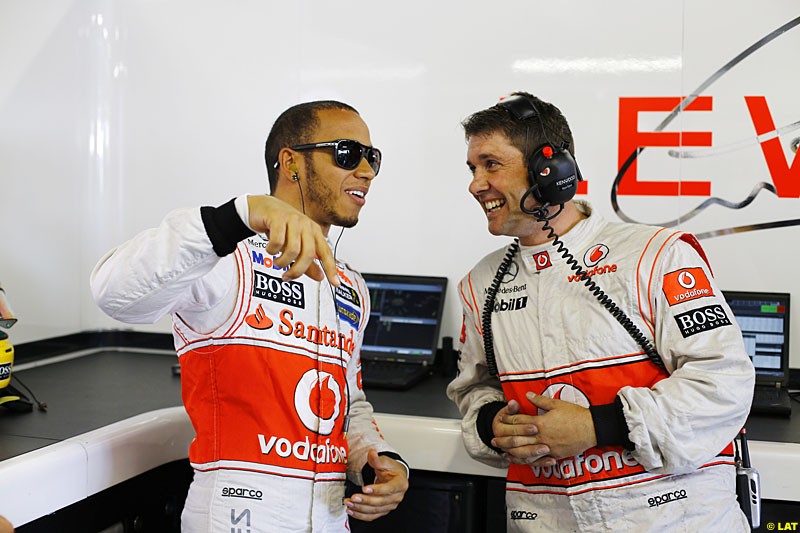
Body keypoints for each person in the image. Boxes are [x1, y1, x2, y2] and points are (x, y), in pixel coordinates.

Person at [91, 100, 409, 532]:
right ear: (290, 162)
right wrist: (238, 216)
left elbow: (348, 406)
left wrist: (378, 461)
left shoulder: (350, 286)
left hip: (331, 515)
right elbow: (114, 293)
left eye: (373, 158)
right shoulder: (225, 258)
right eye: (348, 154)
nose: (367, 171)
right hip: (239, 515)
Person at [446, 91, 755, 532]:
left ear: (549, 171)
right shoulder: (481, 284)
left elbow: (724, 384)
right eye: (472, 169)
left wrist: (597, 426)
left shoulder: (655, 256)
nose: (476, 184)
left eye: (491, 164)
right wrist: (494, 422)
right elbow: (474, 391)